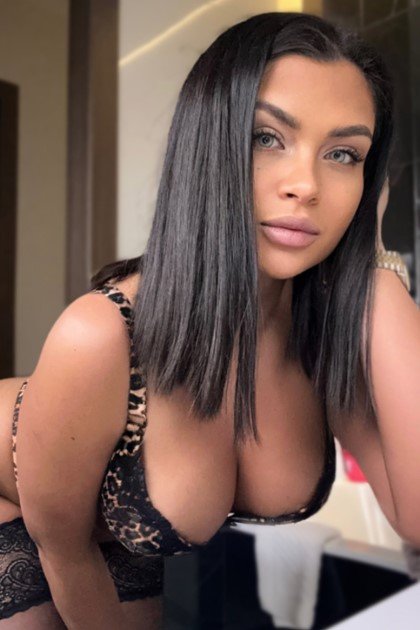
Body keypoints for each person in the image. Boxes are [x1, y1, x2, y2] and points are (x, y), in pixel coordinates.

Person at [1, 10, 418, 629]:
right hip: (31, 524)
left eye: (343, 154)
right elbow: (62, 549)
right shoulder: (102, 334)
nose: (305, 185)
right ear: (209, 143)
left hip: (126, 542)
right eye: (266, 138)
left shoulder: (324, 337)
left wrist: (376, 259)